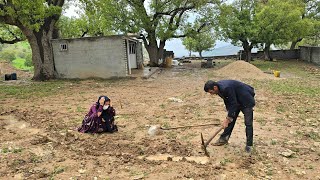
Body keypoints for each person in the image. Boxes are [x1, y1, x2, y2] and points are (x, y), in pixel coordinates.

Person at [204, 80, 255, 153]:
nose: (211, 94)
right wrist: (229, 117)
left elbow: (233, 103)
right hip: (236, 100)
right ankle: (223, 139)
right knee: (230, 121)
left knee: (248, 123)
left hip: (246, 100)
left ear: (215, 88)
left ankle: (249, 145)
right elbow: (227, 101)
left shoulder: (226, 88)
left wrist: (228, 117)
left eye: (211, 92)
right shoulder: (219, 90)